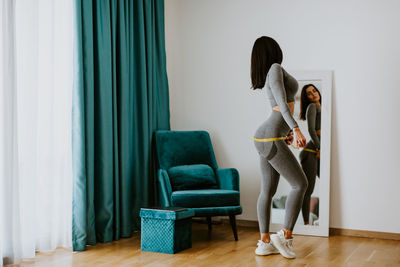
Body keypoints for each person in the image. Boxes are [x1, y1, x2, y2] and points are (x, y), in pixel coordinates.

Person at [251, 36, 308, 259]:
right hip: (270, 136)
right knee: (300, 184)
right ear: (273, 50)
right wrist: (296, 129)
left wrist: (286, 133)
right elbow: (282, 105)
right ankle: (284, 237)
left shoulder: (271, 72)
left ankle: (265, 242)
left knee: (268, 190)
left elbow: (279, 106)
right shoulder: (275, 68)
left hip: (268, 136)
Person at [299, 84, 322, 225]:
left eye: (314, 90)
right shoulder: (312, 107)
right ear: (306, 97)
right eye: (309, 93)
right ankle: (306, 223)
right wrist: (320, 147)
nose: (313, 94)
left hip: (318, 151)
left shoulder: (323, 107)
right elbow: (311, 130)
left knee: (325, 181)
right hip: (311, 152)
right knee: (308, 190)